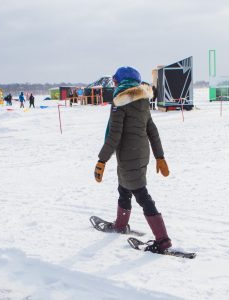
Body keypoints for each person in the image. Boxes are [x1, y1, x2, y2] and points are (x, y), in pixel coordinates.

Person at [94, 66, 171, 254]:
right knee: (124, 188)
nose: (113, 84)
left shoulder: (120, 101)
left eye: (115, 81)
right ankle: (121, 224)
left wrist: (102, 160)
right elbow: (152, 130)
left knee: (141, 195)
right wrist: (159, 156)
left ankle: (163, 240)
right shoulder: (143, 100)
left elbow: (114, 136)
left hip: (129, 156)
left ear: (120, 82)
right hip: (140, 154)